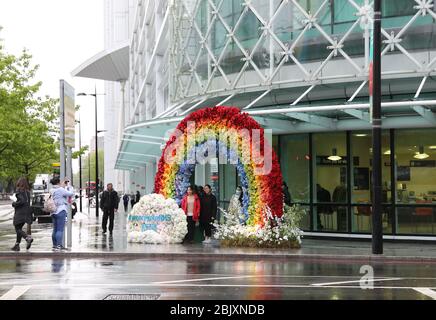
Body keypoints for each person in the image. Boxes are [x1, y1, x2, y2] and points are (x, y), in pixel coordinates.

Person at [51, 177, 75, 251]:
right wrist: (69, 186)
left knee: (55, 229)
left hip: (53, 211)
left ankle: (54, 245)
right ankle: (59, 245)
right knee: (60, 229)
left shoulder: (51, 190)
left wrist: (62, 185)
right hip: (60, 210)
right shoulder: (60, 190)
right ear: (58, 182)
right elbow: (70, 193)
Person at [11, 177, 33, 251]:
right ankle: (17, 245)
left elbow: (21, 201)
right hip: (27, 213)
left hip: (20, 213)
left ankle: (27, 238)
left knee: (17, 228)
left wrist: (14, 203)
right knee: (19, 229)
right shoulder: (27, 192)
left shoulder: (19, 191)